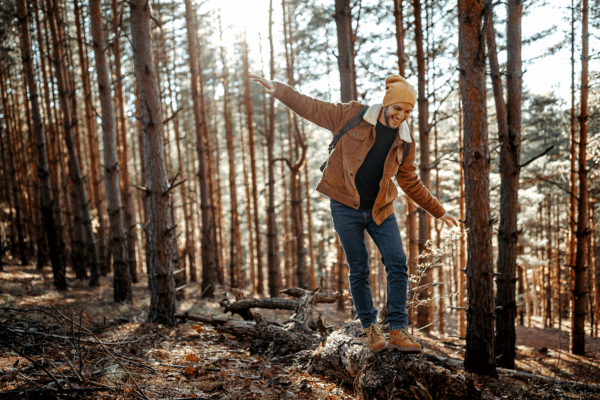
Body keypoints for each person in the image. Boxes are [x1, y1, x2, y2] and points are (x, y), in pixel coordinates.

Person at [250, 74, 458, 354]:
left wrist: (438, 210)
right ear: (386, 103)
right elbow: (311, 106)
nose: (401, 115)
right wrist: (279, 90)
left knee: (397, 263)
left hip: (380, 209)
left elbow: (408, 180)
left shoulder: (405, 141)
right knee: (358, 266)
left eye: (408, 111)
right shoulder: (351, 115)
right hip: (345, 206)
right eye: (398, 108)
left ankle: (397, 330)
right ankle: (370, 328)